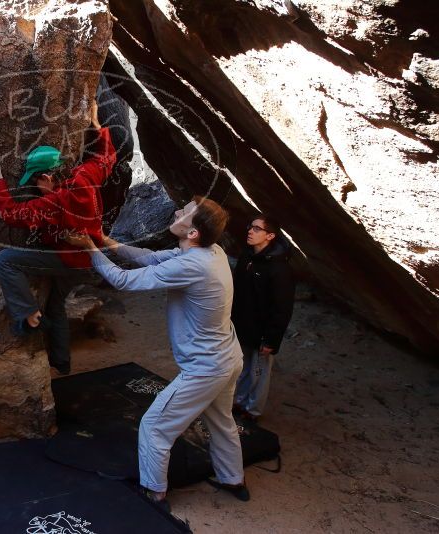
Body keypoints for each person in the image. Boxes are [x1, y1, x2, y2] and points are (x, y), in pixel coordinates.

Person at [65, 196, 250, 507]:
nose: (177, 211)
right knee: (221, 420)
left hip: (206, 368)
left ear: (192, 233)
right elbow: (152, 259)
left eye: (185, 213)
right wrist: (106, 241)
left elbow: (122, 280)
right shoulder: (211, 251)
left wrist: (90, 250)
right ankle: (233, 480)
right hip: (229, 357)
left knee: (154, 426)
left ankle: (155, 492)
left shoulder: (192, 265)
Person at [0, 100, 116, 375]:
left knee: (6, 260)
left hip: (68, 259)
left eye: (35, 182)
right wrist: (96, 126)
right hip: (90, 258)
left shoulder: (53, 202)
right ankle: (62, 362)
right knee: (57, 305)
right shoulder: (85, 175)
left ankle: (28, 314)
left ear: (46, 177)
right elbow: (106, 159)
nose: (35, 188)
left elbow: (12, 214)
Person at [231, 215, 295, 422]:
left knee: (259, 372)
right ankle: (239, 402)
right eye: (251, 227)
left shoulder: (279, 269)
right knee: (241, 367)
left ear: (270, 235)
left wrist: (271, 340)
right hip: (242, 325)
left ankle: (253, 410)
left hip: (262, 331)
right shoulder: (247, 257)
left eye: (257, 229)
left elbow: (282, 307)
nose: (250, 231)